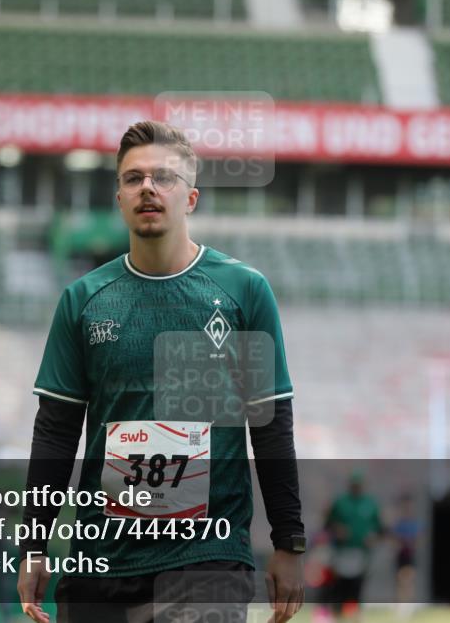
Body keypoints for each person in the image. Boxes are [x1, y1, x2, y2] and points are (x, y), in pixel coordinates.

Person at [17, 121, 306, 623]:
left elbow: (271, 424)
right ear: (119, 198)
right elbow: (56, 433)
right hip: (101, 560)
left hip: (207, 557)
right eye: (134, 178)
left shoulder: (244, 291)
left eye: (164, 177)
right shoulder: (83, 300)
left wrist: (289, 541)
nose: (147, 187)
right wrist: (34, 545)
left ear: (190, 198)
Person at [321, 471, 384, 621]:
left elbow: (380, 528)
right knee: (339, 587)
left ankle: (356, 616)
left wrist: (374, 537)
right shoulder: (340, 502)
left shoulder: (370, 503)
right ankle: (337, 615)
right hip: (342, 551)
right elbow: (328, 524)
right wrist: (337, 529)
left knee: (357, 587)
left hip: (361, 552)